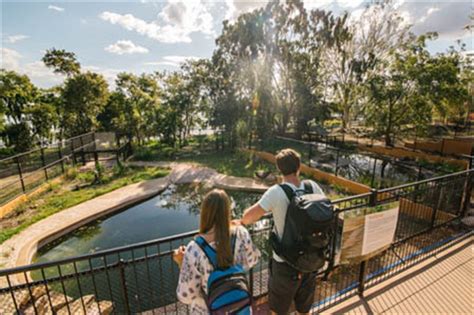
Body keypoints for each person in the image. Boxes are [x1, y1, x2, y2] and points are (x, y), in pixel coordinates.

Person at [239, 148, 325, 315]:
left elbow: (248, 218)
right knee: (304, 309)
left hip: (285, 263)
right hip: (311, 257)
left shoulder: (276, 192)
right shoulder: (312, 186)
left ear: (280, 169)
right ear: (299, 166)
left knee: (278, 310)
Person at [173, 189, 261, 314]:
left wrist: (181, 263)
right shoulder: (241, 233)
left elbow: (185, 296)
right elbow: (252, 260)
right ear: (227, 211)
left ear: (205, 213)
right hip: (239, 308)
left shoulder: (194, 249)